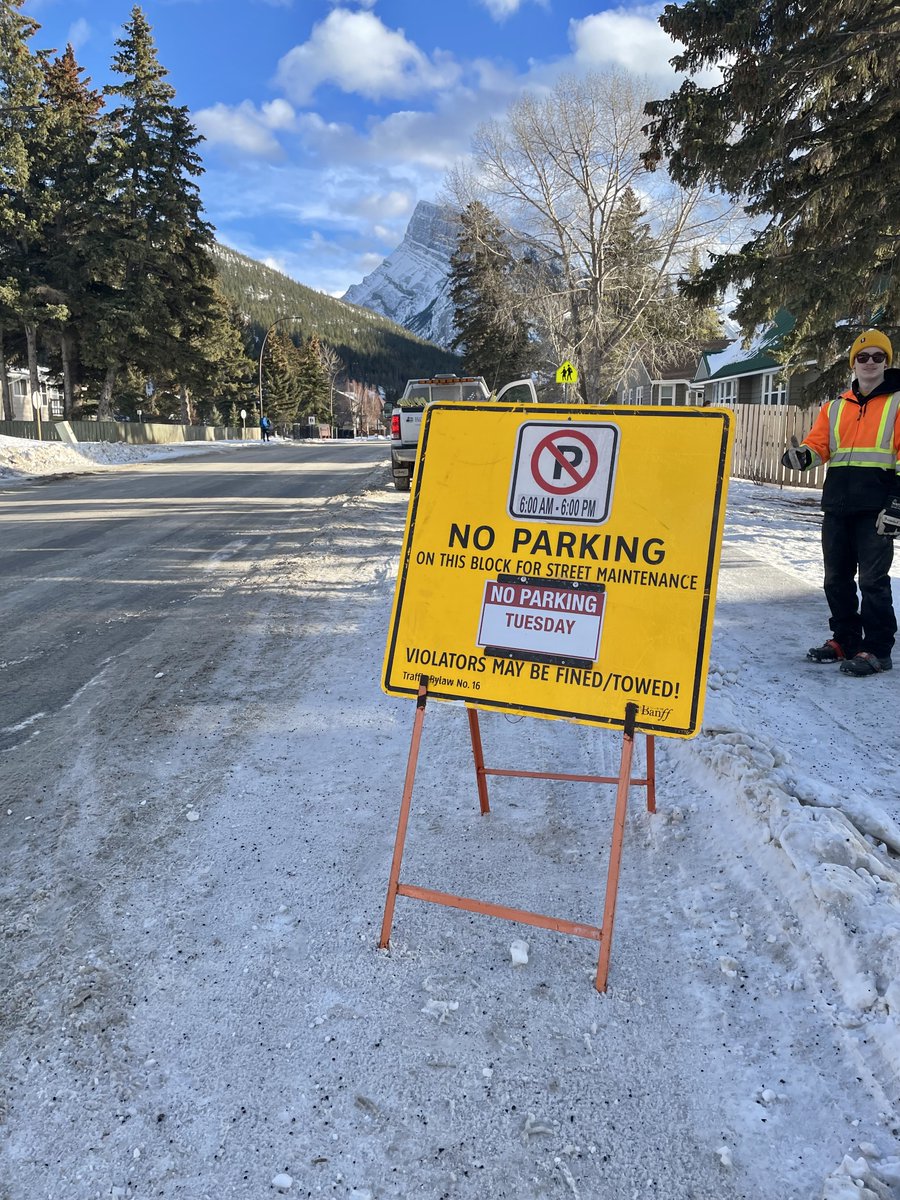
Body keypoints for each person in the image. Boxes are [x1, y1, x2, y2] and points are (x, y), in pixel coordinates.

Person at [781, 329, 900, 676]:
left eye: (878, 356)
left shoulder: (897, 403)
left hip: (877, 509)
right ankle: (845, 640)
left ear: (887, 362)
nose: (870, 362)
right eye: (862, 357)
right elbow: (819, 446)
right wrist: (802, 457)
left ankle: (877, 650)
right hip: (837, 505)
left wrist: (896, 504)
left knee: (872, 582)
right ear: (853, 363)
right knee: (836, 579)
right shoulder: (835, 407)